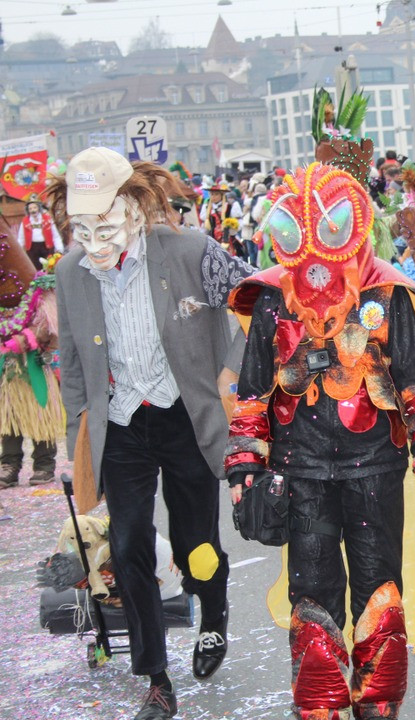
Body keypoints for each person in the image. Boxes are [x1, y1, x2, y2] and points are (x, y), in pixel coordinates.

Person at [226, 161, 415, 720]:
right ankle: (320, 707)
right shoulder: (272, 299)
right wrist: (246, 458)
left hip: (374, 465)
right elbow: (252, 390)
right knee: (312, 592)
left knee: (378, 582)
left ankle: (378, 703)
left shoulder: (385, 293)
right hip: (301, 470)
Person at [48, 147, 253, 719]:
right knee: (128, 544)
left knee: (196, 545)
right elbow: (70, 363)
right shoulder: (70, 272)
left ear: (135, 207)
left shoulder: (190, 250)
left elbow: (255, 304)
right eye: (82, 226)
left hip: (185, 416)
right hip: (120, 424)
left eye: (106, 223)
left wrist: (230, 374)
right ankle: (156, 676)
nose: (96, 238)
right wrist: (76, 446)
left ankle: (212, 617)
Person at [0, 239, 63, 489]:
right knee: (9, 416)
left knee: (41, 411)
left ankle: (44, 464)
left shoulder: (39, 291)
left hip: (34, 363)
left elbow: (48, 325)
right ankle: (9, 464)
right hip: (7, 369)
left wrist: (25, 339)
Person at [21, 194, 60, 269]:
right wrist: (19, 249)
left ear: (39, 208)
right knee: (34, 267)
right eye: (30, 209)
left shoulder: (47, 219)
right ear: (28, 210)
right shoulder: (25, 221)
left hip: (46, 247)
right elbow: (21, 237)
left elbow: (55, 235)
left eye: (35, 207)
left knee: (48, 266)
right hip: (32, 248)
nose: (33, 210)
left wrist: (59, 247)